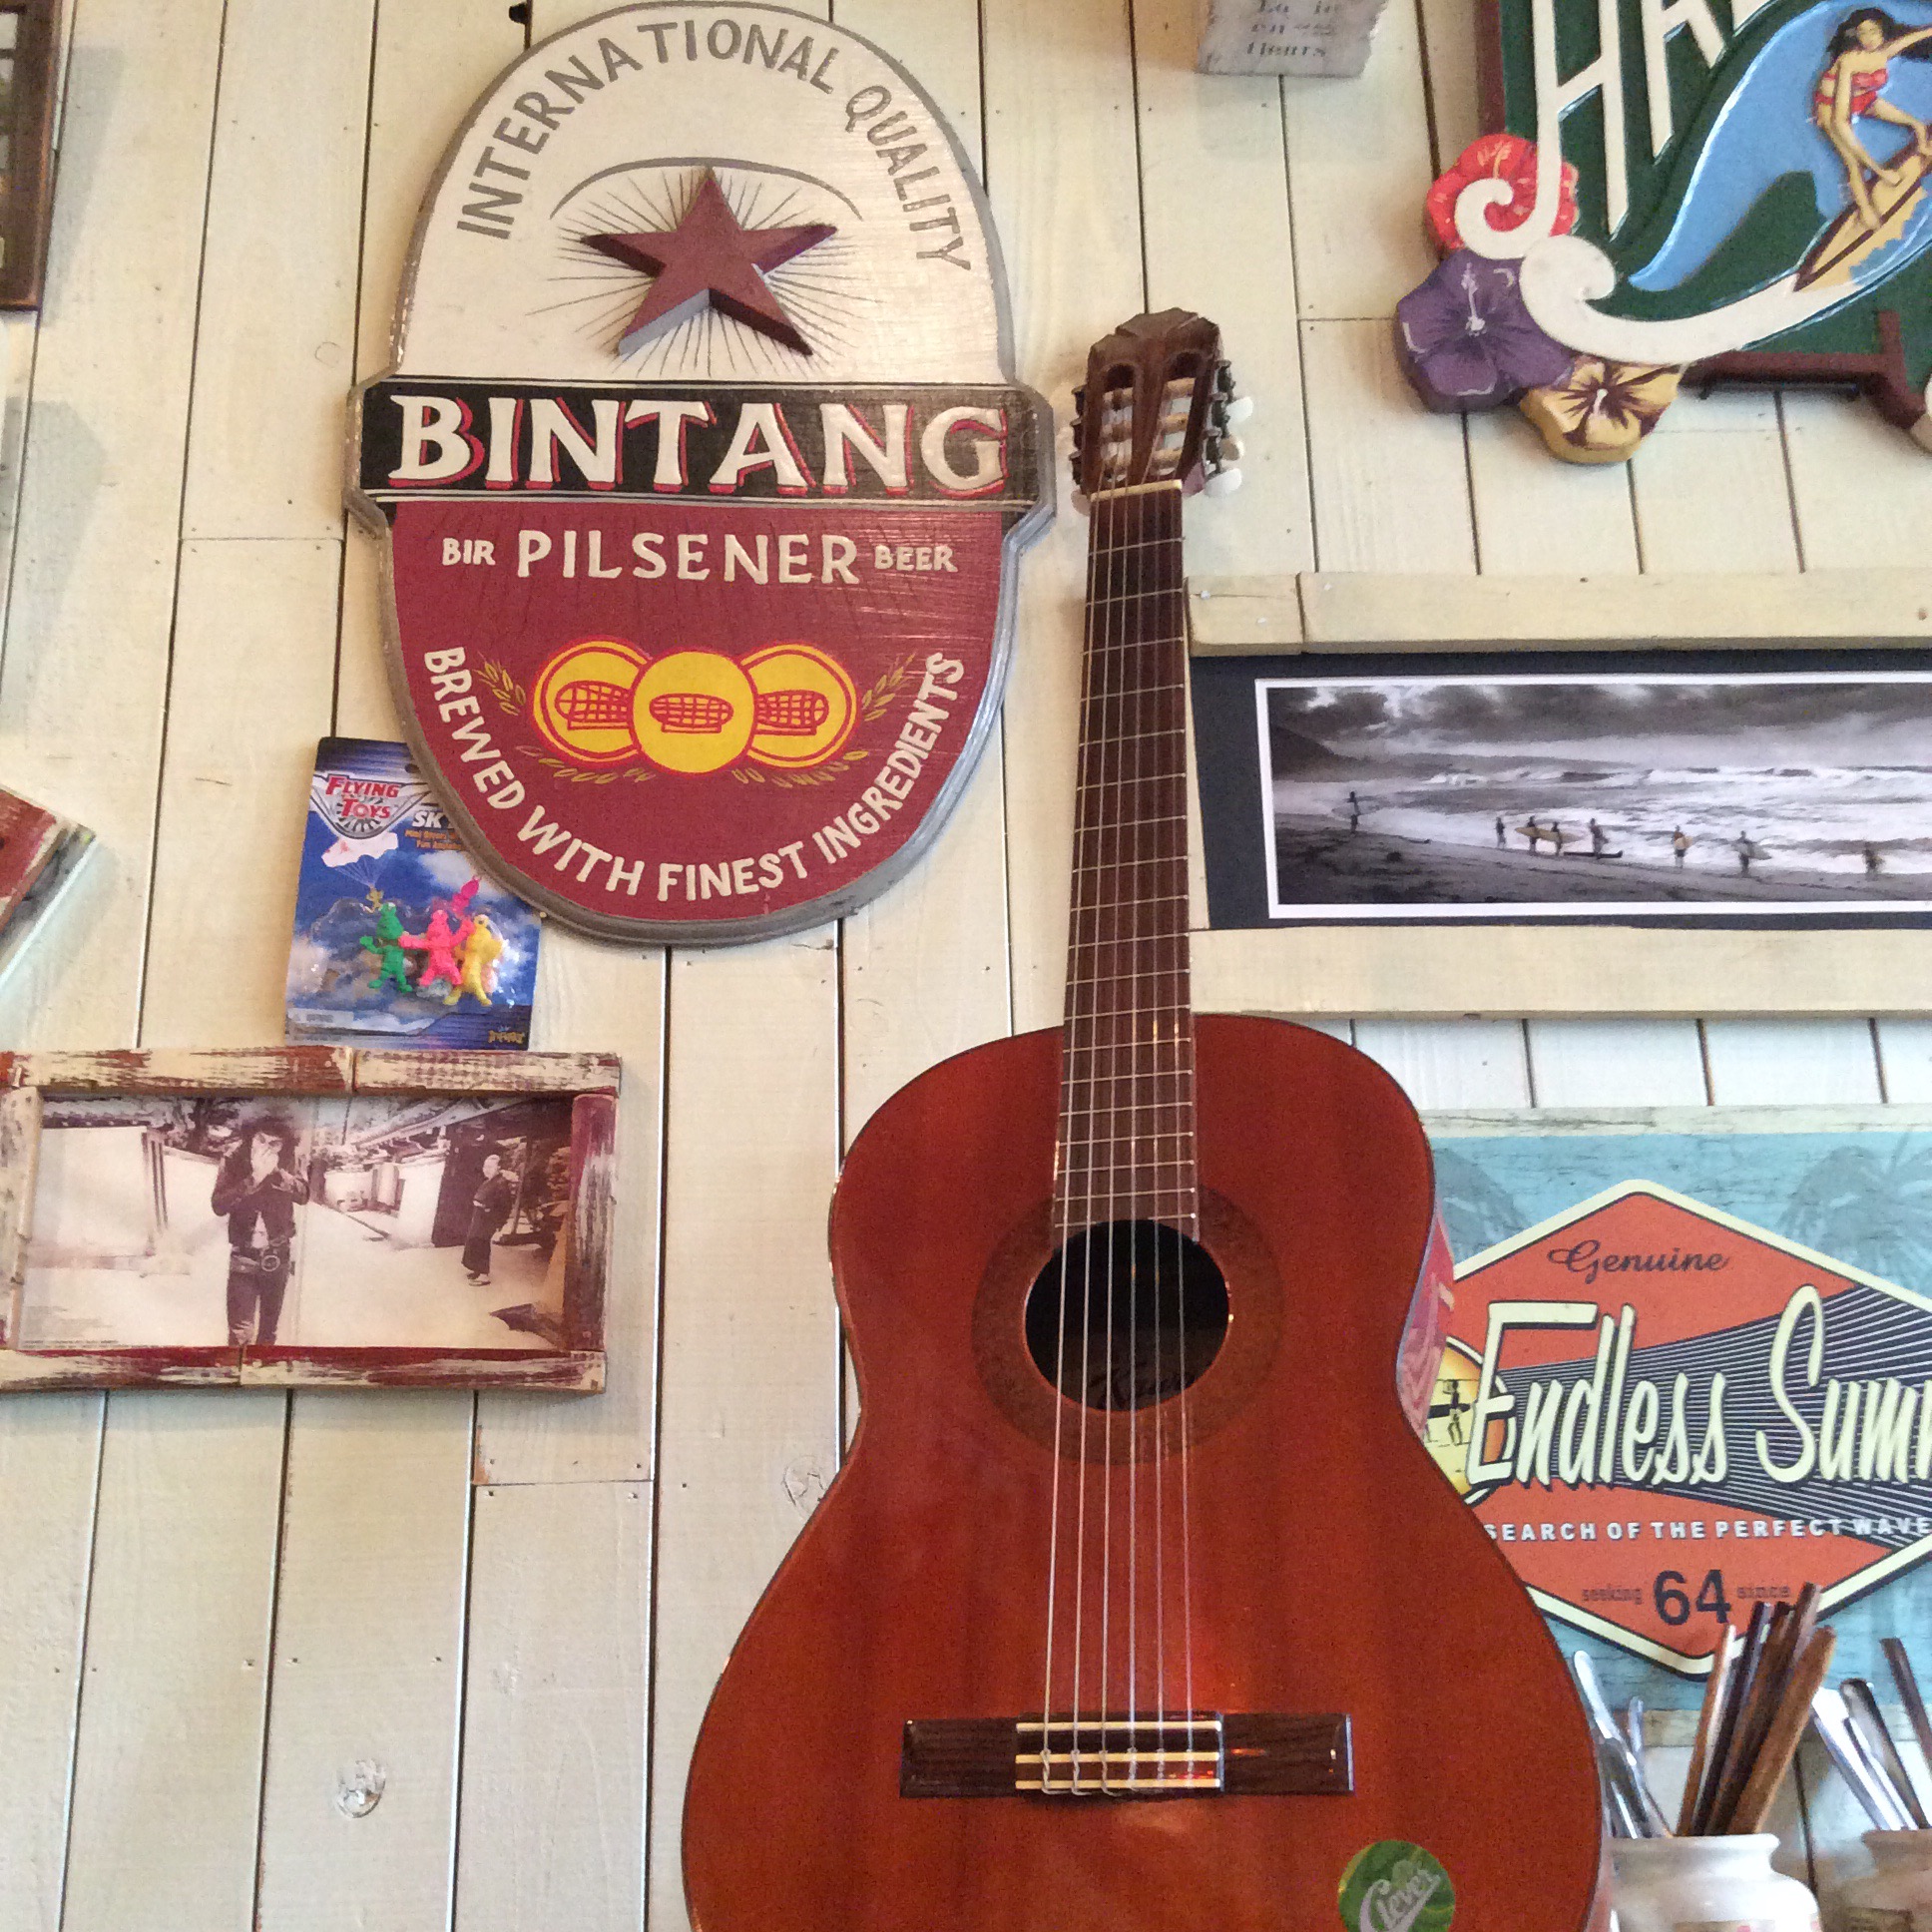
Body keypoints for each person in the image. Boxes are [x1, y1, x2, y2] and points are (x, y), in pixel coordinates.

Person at [1813, 9, 1932, 231]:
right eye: (1862, 33)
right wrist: (1879, 171)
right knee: (1853, 163)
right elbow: (1840, 119)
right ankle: (1866, 212)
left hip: (1863, 98)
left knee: (1916, 123)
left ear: (1883, 32)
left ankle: (1924, 148)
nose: (1868, 38)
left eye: (1874, 32)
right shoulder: (1849, 60)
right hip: (1831, 108)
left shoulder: (1885, 52)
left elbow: (1920, 35)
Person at [211, 1121, 308, 1347]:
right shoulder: (234, 1157)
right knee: (239, 1335)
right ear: (252, 1136)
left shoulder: (291, 1157)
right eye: (261, 1140)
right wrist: (253, 1179)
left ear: (283, 1145)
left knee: (268, 1334)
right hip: (243, 1256)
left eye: (274, 1144)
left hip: (277, 1256)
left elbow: (304, 1194)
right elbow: (218, 1205)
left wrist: (276, 1174)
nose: (265, 1147)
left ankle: (263, 1370)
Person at [463, 1150, 518, 1285]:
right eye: (485, 1166)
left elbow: (504, 1205)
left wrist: (486, 1207)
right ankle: (477, 1269)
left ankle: (483, 1275)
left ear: (498, 1168)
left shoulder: (500, 1183)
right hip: (480, 1218)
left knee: (481, 1244)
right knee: (474, 1242)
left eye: (490, 1167)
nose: (486, 1170)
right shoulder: (490, 1181)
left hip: (488, 1219)